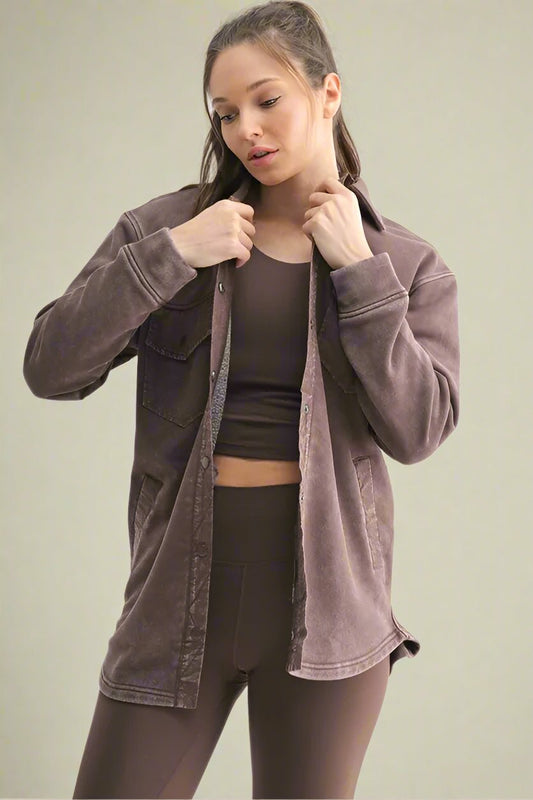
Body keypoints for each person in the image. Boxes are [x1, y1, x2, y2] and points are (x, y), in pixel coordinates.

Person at [23, 1, 460, 797]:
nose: (245, 130)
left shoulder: (404, 262)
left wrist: (360, 275)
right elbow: (50, 368)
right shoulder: (168, 230)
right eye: (224, 113)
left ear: (328, 93)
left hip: (328, 613)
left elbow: (417, 430)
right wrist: (169, 257)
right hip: (175, 599)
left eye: (266, 101)